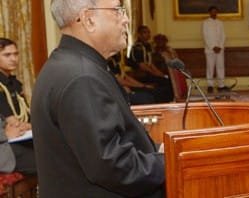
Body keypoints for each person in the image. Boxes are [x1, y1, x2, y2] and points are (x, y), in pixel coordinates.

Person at [32, 0, 165, 197]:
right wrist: (168, 160)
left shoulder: (72, 63)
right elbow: (113, 166)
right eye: (118, 11)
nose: (126, 19)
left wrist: (161, 149)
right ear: (88, 19)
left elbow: (113, 139)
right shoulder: (81, 77)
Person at [0, 38, 34, 175]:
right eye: (7, 55)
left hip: (22, 137)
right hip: (10, 144)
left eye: (16, 54)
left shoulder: (15, 83)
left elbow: (27, 117)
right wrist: (23, 125)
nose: (13, 59)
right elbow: (12, 122)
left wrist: (28, 124)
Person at [203, 6, 227, 92]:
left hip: (220, 49)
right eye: (212, 12)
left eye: (215, 12)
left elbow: (223, 36)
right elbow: (205, 36)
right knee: (210, 67)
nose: (214, 13)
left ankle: (221, 85)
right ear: (209, 13)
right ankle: (210, 85)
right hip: (210, 50)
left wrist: (220, 46)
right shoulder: (205, 23)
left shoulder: (220, 22)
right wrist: (213, 47)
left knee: (220, 67)